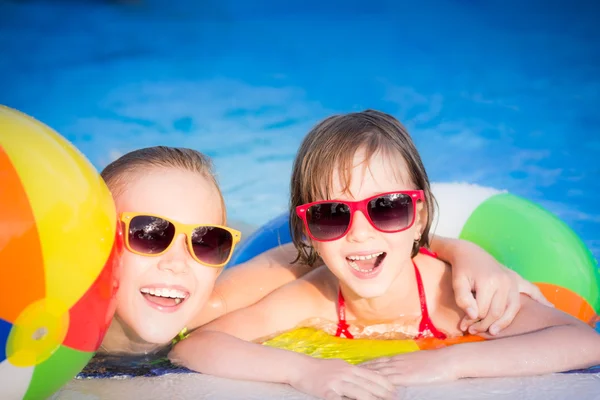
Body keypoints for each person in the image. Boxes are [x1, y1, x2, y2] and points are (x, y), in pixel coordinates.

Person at [169, 110, 600, 400]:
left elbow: (582, 341)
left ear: (419, 215)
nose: (359, 234)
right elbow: (195, 345)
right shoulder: (313, 296)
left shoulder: (451, 297)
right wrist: (303, 371)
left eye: (386, 208)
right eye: (331, 215)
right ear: (307, 231)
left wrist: (451, 362)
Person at [97, 145, 548, 356]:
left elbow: (325, 253)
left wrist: (461, 252)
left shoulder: (199, 303)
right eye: (148, 233)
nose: (177, 261)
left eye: (208, 242)